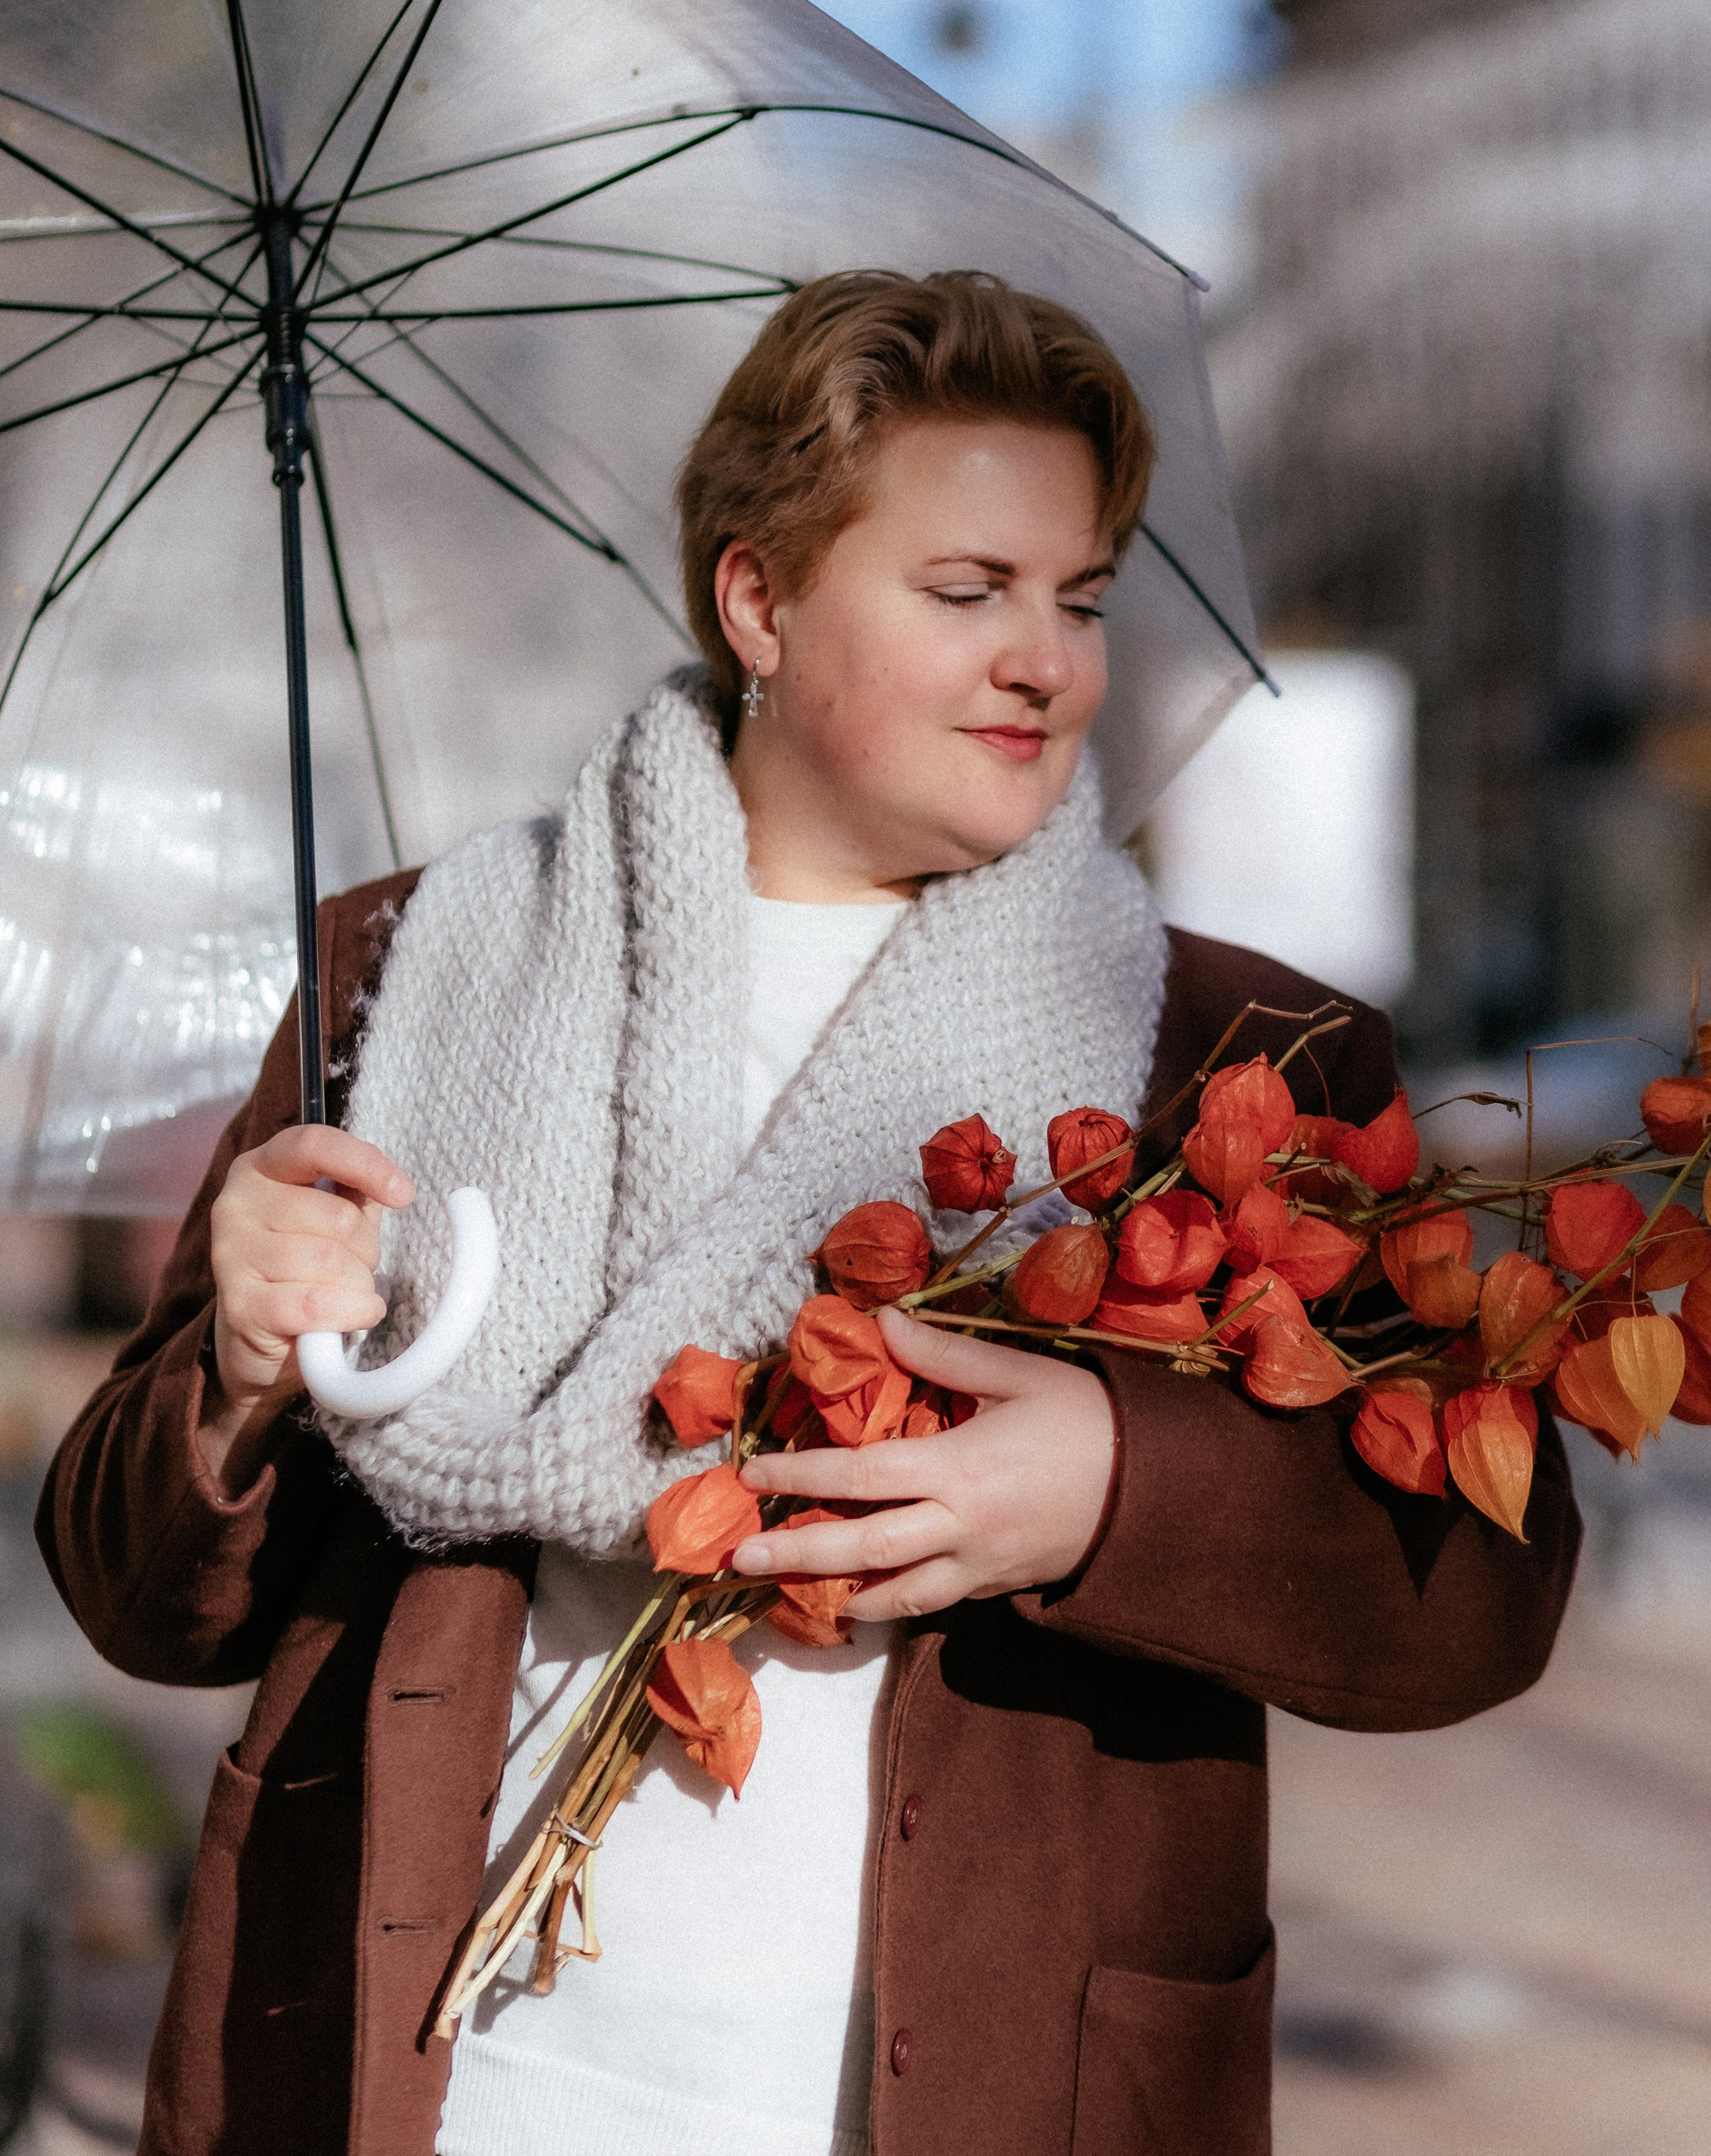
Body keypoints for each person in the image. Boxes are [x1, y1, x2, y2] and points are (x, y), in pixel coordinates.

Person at [39, 270, 1579, 2156]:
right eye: (965, 592)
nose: (1047, 662)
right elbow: (135, 1592)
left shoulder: (1234, 1056)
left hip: (986, 2094)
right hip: (435, 2083)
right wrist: (241, 1366)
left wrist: (1113, 1485)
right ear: (756, 598)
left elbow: (1479, 1592)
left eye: (1078, 598)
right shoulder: (410, 970)